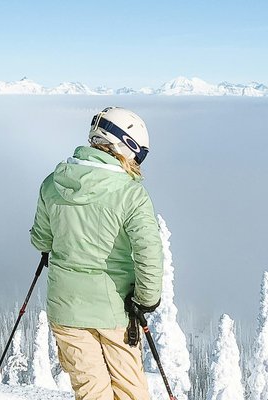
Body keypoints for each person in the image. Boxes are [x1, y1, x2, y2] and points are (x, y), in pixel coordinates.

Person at [30, 106, 164, 400]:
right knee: (131, 392)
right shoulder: (130, 194)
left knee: (91, 392)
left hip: (66, 307)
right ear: (124, 145)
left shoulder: (53, 183)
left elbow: (41, 239)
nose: (137, 161)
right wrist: (146, 299)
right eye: (139, 154)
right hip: (115, 309)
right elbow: (149, 252)